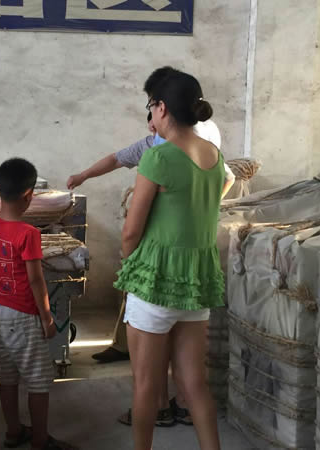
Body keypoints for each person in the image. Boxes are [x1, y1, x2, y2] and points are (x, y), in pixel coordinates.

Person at [114, 67, 225, 450]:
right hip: (196, 284)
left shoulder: (158, 158)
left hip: (156, 282)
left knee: (146, 384)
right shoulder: (213, 155)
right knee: (194, 384)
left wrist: (130, 270)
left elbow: (131, 231)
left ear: (161, 107)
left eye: (150, 106)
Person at [0, 158, 78, 450]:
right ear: (29, 196)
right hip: (22, 315)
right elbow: (37, 281)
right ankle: (40, 440)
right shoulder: (29, 234)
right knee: (38, 380)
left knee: (7, 375)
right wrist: (47, 318)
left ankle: (13, 432)